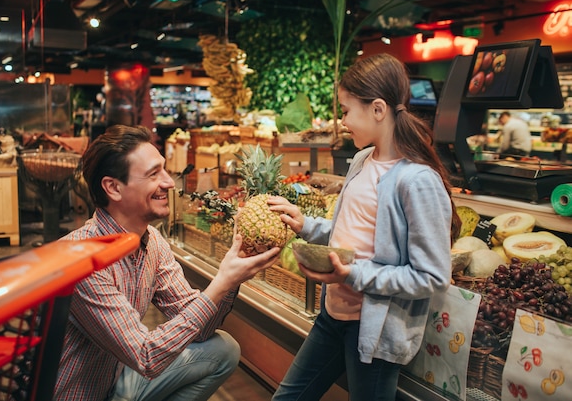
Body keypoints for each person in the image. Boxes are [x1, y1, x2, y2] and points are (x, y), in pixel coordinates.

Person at [268, 53, 461, 401]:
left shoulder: (417, 181)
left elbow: (432, 276)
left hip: (374, 332)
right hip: (333, 315)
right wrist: (306, 225)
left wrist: (354, 275)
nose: (342, 121)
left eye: (345, 110)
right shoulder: (361, 160)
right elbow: (352, 234)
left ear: (377, 109)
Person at [53, 124, 280, 401]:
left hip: (115, 382)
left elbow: (202, 331)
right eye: (153, 174)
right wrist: (221, 283)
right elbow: (146, 356)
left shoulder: (153, 243)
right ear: (113, 188)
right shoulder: (82, 259)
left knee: (224, 350)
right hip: (74, 394)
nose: (169, 182)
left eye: (164, 169)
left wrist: (231, 278)